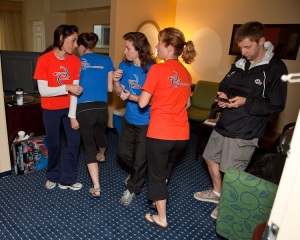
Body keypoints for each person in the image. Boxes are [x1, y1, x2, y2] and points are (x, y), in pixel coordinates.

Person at [193, 21, 288, 219]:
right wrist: (223, 95)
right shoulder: (240, 61)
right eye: (241, 47)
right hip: (225, 122)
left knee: (232, 171)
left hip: (246, 128)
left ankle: (227, 204)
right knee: (210, 157)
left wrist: (245, 101)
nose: (243, 52)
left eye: (247, 47)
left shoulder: (275, 68)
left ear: (261, 41)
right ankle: (218, 193)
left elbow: (276, 105)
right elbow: (225, 84)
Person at [138, 27, 196, 229]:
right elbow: (187, 105)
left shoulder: (157, 69)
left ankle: (161, 217)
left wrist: (155, 98)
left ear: (169, 47)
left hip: (161, 133)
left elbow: (143, 103)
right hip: (181, 135)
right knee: (165, 170)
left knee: (155, 174)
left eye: (159, 43)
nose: (155, 46)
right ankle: (158, 199)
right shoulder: (186, 73)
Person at [33, 24, 83, 191]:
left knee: (74, 143)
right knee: (54, 144)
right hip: (50, 110)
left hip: (69, 109)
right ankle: (53, 175)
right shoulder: (44, 60)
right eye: (73, 41)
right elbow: (44, 91)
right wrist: (66, 87)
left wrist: (73, 115)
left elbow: (75, 90)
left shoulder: (75, 61)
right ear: (61, 39)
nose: (76, 45)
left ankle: (66, 179)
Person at [69, 32, 114, 197]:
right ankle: (101, 154)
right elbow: (110, 88)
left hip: (83, 109)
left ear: (81, 46)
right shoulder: (106, 60)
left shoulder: (75, 61)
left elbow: (72, 89)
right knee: (100, 134)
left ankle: (96, 187)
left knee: (89, 147)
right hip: (102, 108)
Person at [113, 32, 156, 205]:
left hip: (147, 122)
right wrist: (116, 83)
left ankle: (132, 188)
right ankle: (140, 172)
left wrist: (130, 96)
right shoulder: (124, 65)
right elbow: (119, 91)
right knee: (122, 153)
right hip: (129, 118)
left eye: (128, 48)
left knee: (140, 158)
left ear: (139, 49)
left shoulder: (153, 69)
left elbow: (154, 99)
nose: (125, 51)